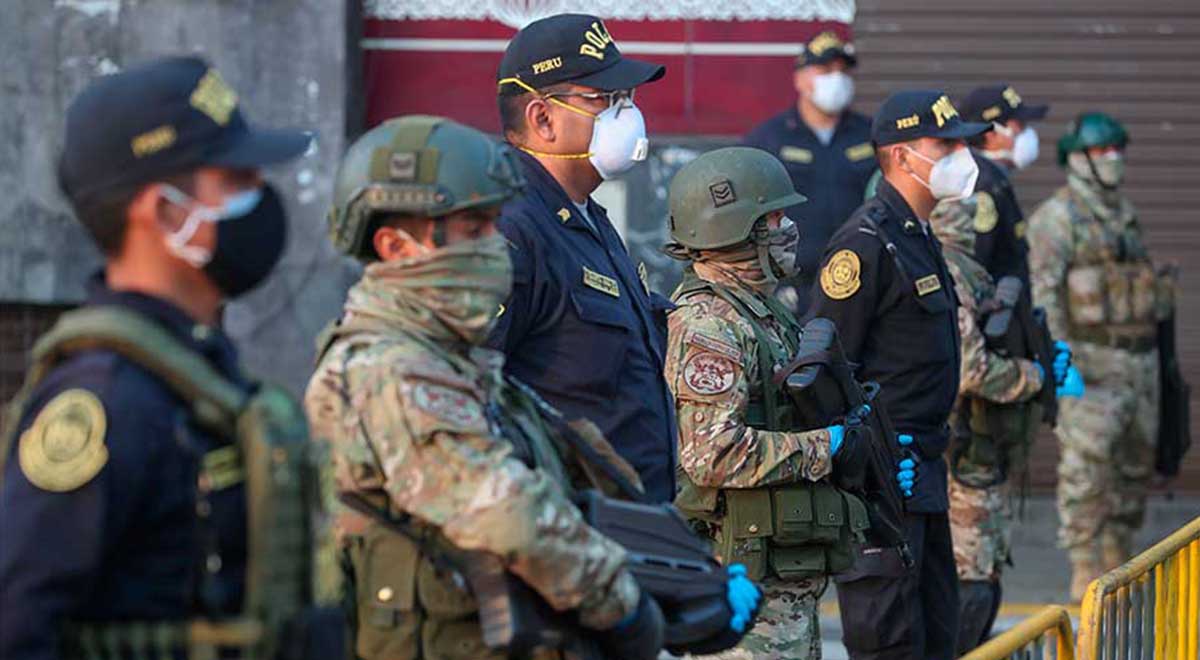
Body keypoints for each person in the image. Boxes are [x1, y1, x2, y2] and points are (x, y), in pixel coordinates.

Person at [306, 115, 676, 660]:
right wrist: (625, 606)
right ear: (395, 245)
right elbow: (508, 515)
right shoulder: (389, 368)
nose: (494, 248)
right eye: (473, 230)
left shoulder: (458, 362)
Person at [0, 56, 327, 659]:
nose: (262, 198)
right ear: (164, 211)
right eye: (236, 181)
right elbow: (18, 620)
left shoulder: (193, 371)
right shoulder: (106, 398)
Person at [662, 146, 908, 659]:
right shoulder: (710, 325)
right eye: (774, 217)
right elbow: (712, 455)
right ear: (737, 230)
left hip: (788, 575)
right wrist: (829, 446)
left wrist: (870, 453)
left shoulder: (768, 312)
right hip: (749, 581)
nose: (788, 227)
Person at [807, 90, 988, 660]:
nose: (963, 154)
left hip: (926, 472)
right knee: (890, 640)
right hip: (886, 482)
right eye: (946, 144)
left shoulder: (916, 234)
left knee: (936, 633)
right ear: (904, 157)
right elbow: (825, 372)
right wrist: (863, 466)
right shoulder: (865, 244)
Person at [490, 13, 678, 503]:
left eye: (627, 98)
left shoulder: (584, 215)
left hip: (632, 528)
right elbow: (468, 399)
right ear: (542, 118)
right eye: (603, 99)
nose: (626, 114)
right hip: (572, 536)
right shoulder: (510, 229)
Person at [1026, 112, 1173, 601]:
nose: (1114, 159)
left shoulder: (1122, 212)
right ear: (1078, 158)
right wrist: (1060, 359)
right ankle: (1084, 570)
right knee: (1086, 473)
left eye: (1117, 149)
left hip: (1138, 365)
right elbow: (1043, 295)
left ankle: (1118, 563)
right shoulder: (1058, 217)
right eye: (1103, 150)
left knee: (1133, 469)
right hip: (1091, 365)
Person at [929, 188, 1078, 652]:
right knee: (971, 569)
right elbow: (970, 370)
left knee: (983, 567)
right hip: (960, 447)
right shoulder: (948, 272)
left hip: (977, 446)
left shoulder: (959, 269)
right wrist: (1032, 376)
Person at [743, 31, 876, 314]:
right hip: (794, 287)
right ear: (800, 79)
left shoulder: (870, 135)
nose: (836, 79)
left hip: (860, 279)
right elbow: (748, 213)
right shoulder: (770, 138)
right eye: (825, 70)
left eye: (843, 71)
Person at [956, 84, 1051, 284]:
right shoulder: (981, 185)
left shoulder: (994, 179)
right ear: (991, 133)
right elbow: (977, 265)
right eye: (1020, 126)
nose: (1028, 134)